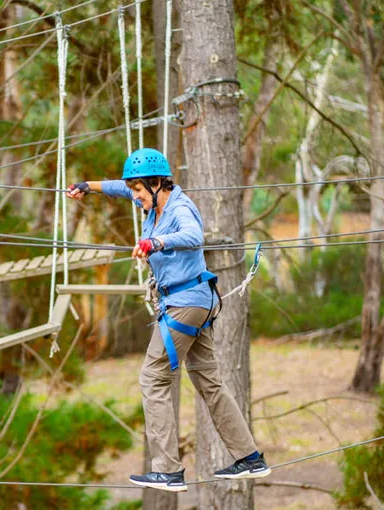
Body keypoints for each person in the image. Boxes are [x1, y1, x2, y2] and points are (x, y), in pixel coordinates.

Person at [66, 148, 270, 492]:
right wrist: (89, 186)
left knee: (152, 377)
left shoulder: (178, 207)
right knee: (210, 384)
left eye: (139, 190)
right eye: (134, 190)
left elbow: (194, 236)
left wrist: (155, 242)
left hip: (185, 303)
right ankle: (250, 458)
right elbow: (120, 187)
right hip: (195, 300)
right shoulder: (152, 201)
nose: (135, 196)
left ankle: (168, 470)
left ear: (158, 183)